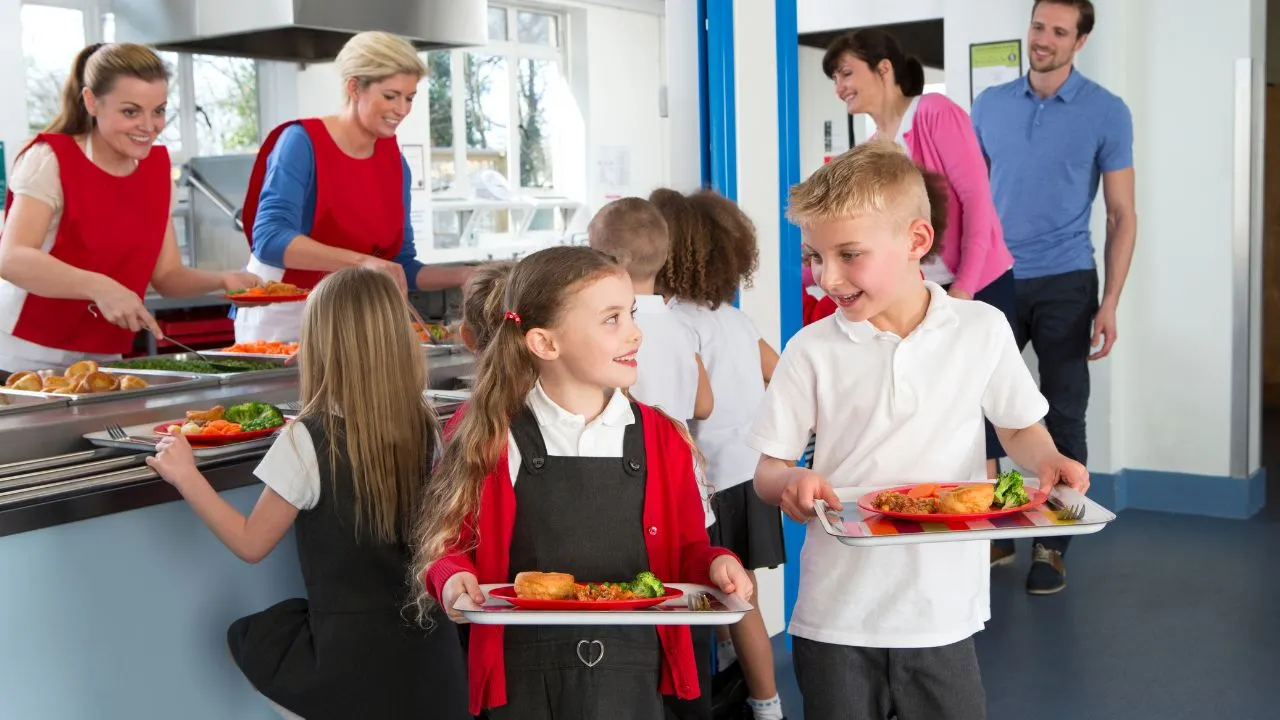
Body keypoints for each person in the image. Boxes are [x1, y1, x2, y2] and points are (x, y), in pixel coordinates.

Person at [749, 142, 1089, 720]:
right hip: (837, 613)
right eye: (815, 256)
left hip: (941, 612)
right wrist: (791, 483)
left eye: (848, 255)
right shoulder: (810, 349)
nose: (826, 277)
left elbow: (1018, 429)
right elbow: (769, 469)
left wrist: (1048, 459)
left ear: (916, 241)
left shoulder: (981, 328)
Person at [411, 246, 753, 719]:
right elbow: (446, 548)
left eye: (630, 314)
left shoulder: (663, 438)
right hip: (524, 675)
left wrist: (717, 564)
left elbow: (688, 553)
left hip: (638, 671)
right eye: (611, 319)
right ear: (545, 344)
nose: (635, 332)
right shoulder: (491, 436)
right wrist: (451, 581)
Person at [147, 268, 469, 720]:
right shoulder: (424, 423)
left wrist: (186, 475)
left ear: (316, 345)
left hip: (349, 668)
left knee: (253, 636)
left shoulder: (306, 439)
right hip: (432, 663)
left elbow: (250, 543)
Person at [972, 0, 1136, 594]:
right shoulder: (989, 106)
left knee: (1062, 411)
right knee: (981, 407)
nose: (1043, 40)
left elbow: (1121, 214)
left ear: (1080, 41)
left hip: (1068, 279)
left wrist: (1111, 300)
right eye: (1039, 26)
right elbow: (970, 200)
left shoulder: (1106, 112)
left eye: (1058, 32)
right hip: (997, 278)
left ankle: (1052, 542)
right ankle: (995, 528)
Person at [824, 28, 1016, 482]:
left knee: (977, 411)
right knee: (938, 410)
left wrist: (966, 288)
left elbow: (978, 202)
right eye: (835, 77)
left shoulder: (932, 112)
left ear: (884, 68)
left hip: (977, 281)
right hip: (927, 290)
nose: (839, 86)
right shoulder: (872, 146)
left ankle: (981, 537)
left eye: (847, 72)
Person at [0, 42, 258, 373]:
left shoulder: (158, 174)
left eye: (159, 111)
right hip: (23, 354)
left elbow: (167, 276)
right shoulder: (50, 159)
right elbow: (12, 257)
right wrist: (101, 286)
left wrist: (224, 279)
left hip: (103, 357)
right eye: (130, 111)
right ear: (91, 101)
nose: (149, 126)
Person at [236, 31, 470, 343]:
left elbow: (400, 265)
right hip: (285, 320)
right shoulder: (301, 143)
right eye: (391, 96)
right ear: (354, 87)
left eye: (409, 98)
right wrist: (363, 262)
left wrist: (464, 275)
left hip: (351, 319)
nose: (402, 109)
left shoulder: (395, 165)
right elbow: (270, 239)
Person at [650, 188, 786, 720]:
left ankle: (766, 702)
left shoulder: (675, 323)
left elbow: (694, 404)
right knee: (736, 591)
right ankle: (740, 680)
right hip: (750, 473)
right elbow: (781, 374)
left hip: (715, 481)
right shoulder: (735, 318)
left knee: (734, 600)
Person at [588, 197, 717, 720]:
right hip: (688, 490)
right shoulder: (679, 324)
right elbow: (704, 403)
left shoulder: (613, 331)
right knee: (685, 615)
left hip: (642, 496)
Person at [589, 197, 714, 426]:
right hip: (679, 454)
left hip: (630, 454)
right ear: (665, 256)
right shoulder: (682, 327)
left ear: (602, 262)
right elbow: (703, 406)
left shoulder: (607, 326)